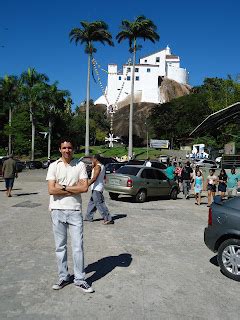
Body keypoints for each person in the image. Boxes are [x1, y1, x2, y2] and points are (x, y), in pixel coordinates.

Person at [46, 138, 94, 292]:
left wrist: (64, 187)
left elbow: (85, 188)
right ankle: (63, 277)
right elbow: (51, 190)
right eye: (64, 148)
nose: (67, 150)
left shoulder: (80, 165)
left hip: (74, 211)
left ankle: (80, 279)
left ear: (73, 149)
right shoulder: (53, 166)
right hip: (57, 210)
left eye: (70, 148)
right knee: (60, 247)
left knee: (77, 247)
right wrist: (74, 188)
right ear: (60, 149)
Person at [85, 154, 113, 224]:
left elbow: (94, 178)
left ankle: (108, 218)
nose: (91, 161)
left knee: (99, 204)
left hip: (97, 188)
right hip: (95, 187)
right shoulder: (100, 166)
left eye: (92, 159)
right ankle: (88, 217)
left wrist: (86, 185)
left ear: (95, 159)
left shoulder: (98, 167)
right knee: (92, 203)